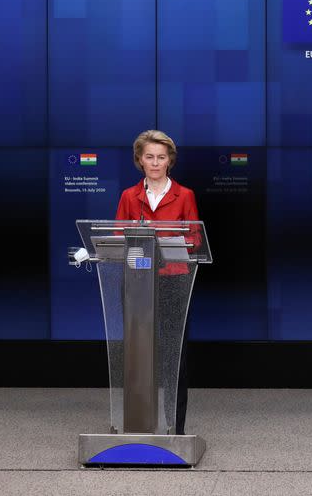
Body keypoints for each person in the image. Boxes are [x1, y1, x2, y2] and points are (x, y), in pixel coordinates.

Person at [116, 130, 199, 435]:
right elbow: (116, 237)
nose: (155, 162)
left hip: (175, 282)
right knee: (140, 354)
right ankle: (140, 424)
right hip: (137, 282)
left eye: (161, 157)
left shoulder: (185, 195)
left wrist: (164, 241)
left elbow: (194, 238)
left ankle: (174, 427)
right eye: (149, 156)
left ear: (170, 161)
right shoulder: (129, 196)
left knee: (173, 356)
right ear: (140, 160)